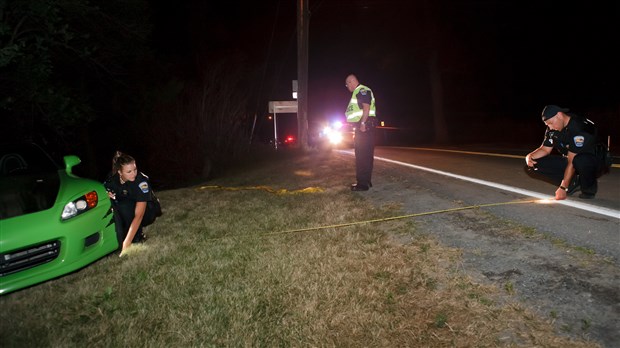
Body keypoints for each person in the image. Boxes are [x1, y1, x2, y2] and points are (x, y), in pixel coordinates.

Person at [524, 105, 601, 200]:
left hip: (593, 160)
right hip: (571, 159)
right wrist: (529, 156)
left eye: (551, 123)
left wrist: (563, 187)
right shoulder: (552, 129)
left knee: (580, 160)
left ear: (559, 115)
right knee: (533, 164)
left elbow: (572, 161)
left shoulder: (578, 128)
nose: (550, 127)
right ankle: (573, 183)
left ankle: (588, 188)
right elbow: (545, 149)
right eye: (547, 125)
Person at [104, 151, 156, 255]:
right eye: (129, 172)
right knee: (112, 205)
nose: (133, 173)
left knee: (125, 206)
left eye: (135, 169)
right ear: (120, 172)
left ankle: (137, 237)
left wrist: (126, 243)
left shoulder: (141, 182)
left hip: (147, 211)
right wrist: (106, 194)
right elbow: (103, 190)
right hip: (125, 209)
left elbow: (139, 215)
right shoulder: (113, 180)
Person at [345, 74, 377, 191]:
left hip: (364, 127)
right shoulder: (360, 91)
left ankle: (362, 184)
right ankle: (366, 181)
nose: (347, 87)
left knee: (362, 156)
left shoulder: (361, 90)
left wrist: (362, 123)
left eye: (347, 84)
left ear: (351, 82)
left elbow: (366, 107)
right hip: (367, 127)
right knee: (367, 156)